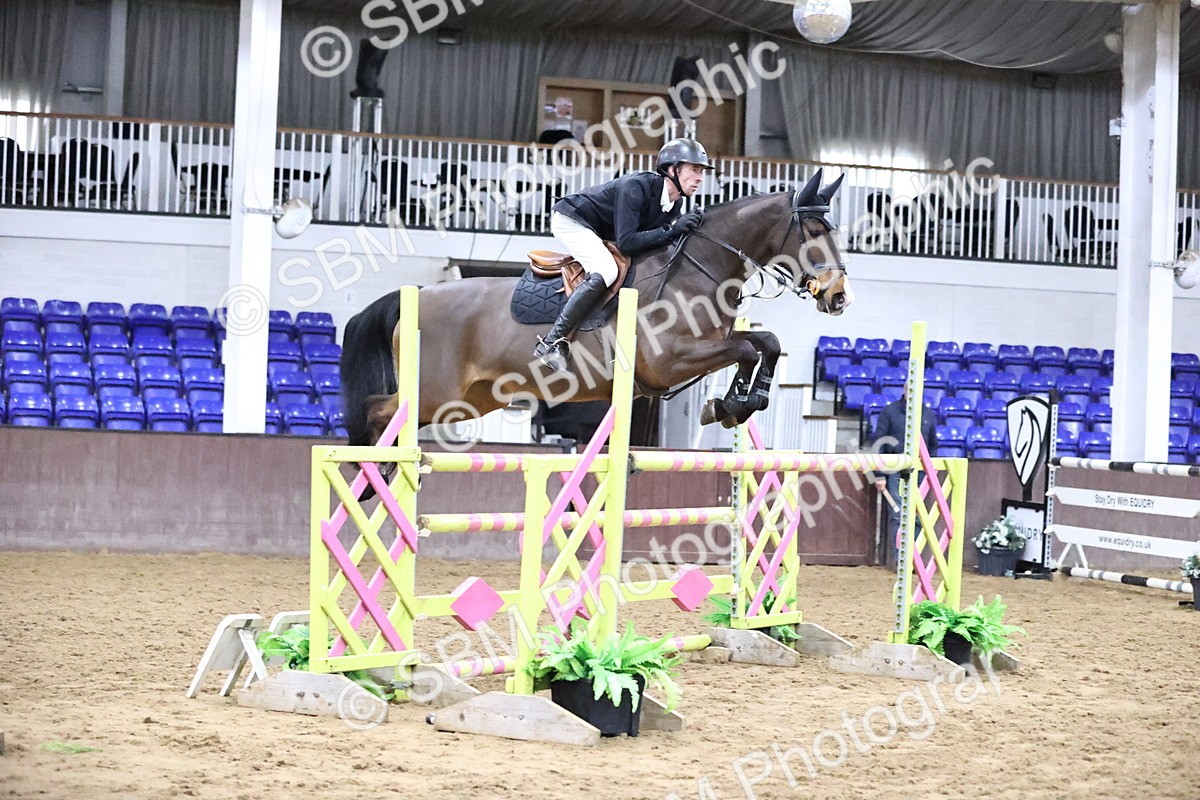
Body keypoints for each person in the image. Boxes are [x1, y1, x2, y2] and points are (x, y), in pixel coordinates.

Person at [533, 137, 714, 375]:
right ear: (672, 170)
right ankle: (551, 342)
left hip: (600, 231)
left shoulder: (674, 205)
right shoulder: (636, 187)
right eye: (694, 170)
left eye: (701, 171)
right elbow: (628, 243)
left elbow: (655, 242)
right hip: (572, 220)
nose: (700, 177)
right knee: (607, 270)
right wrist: (673, 229)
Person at [868, 386, 938, 565]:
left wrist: (931, 471)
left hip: (920, 473)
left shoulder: (927, 414)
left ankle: (911, 558)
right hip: (895, 471)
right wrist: (879, 474)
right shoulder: (890, 412)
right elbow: (878, 443)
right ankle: (902, 560)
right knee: (898, 516)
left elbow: (933, 445)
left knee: (915, 517)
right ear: (905, 390)